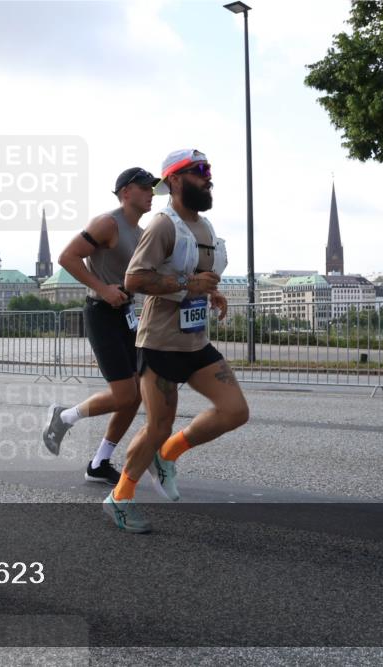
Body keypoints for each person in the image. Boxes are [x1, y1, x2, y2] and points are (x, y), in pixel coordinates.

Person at [103, 149, 249, 532]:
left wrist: (210, 293)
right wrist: (188, 284)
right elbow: (135, 280)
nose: (208, 177)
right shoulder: (161, 225)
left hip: (194, 342)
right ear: (176, 180)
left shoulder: (205, 228)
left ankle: (166, 456)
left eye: (209, 170)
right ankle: (119, 497)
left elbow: (199, 275)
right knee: (157, 425)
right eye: (200, 171)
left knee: (235, 411)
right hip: (160, 343)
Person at [43, 167, 159, 484]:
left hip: (126, 316)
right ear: (125, 192)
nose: (151, 192)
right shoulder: (107, 223)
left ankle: (99, 463)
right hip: (101, 314)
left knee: (135, 396)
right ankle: (64, 416)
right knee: (124, 396)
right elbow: (67, 257)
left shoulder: (141, 232)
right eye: (145, 186)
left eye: (153, 187)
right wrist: (104, 289)